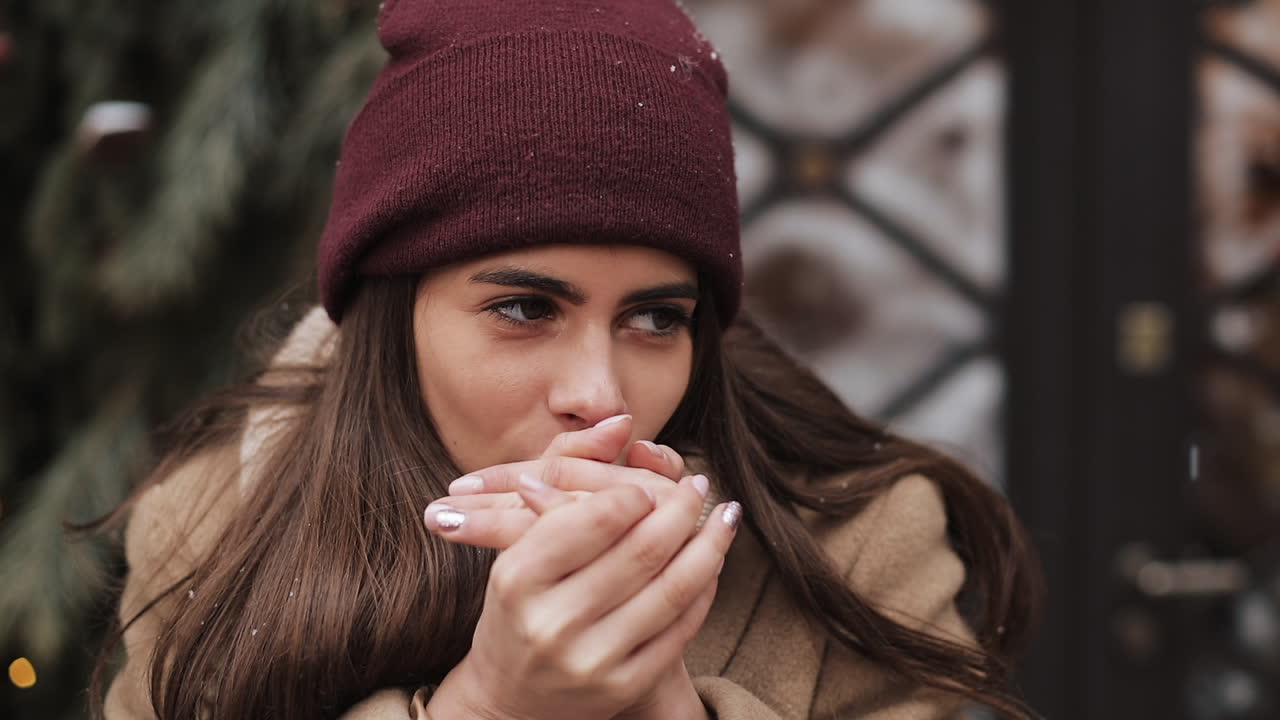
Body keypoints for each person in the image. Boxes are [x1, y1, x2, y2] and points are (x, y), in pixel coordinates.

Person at [92, 0, 1043, 718]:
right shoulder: (214, 527)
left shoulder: (861, 546)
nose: (598, 396)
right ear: (396, 313)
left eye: (655, 319)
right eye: (522, 307)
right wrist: (486, 705)